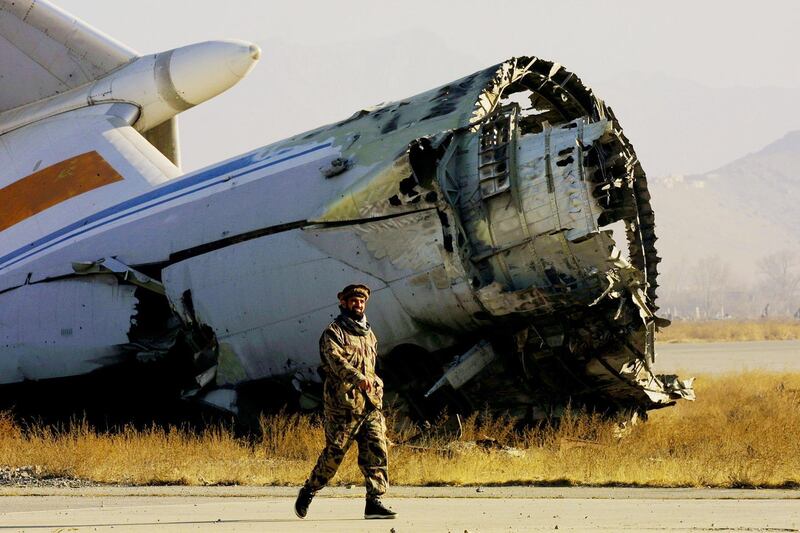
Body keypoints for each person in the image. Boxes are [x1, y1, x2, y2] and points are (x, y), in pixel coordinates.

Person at [294, 283, 396, 520]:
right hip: (343, 406)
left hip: (370, 405)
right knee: (335, 453)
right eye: (353, 301)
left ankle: (374, 501)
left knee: (377, 450)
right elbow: (334, 360)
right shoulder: (333, 332)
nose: (358, 305)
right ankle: (309, 489)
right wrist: (357, 378)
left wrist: (375, 384)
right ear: (343, 303)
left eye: (361, 301)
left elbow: (371, 366)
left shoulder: (369, 334)